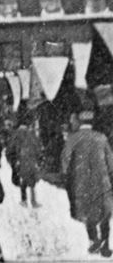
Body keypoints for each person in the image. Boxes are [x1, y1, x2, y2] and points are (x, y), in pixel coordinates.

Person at [62, 110, 113, 256]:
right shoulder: (101, 138)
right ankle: (105, 244)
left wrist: (67, 175)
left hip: (82, 181)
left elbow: (65, 159)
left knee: (88, 211)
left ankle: (94, 239)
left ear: (79, 122)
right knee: (104, 212)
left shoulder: (73, 138)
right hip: (101, 180)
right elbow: (111, 161)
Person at [12, 116, 42, 208]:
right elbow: (37, 146)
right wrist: (38, 158)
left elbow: (13, 148)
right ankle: (33, 201)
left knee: (23, 180)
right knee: (32, 181)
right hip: (31, 159)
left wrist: (14, 160)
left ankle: (24, 200)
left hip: (21, 160)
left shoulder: (16, 134)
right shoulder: (31, 134)